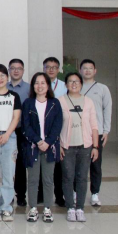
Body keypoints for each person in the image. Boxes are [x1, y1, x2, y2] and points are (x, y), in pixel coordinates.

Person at [22, 72, 62, 223]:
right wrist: (38, 141)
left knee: (48, 179)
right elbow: (26, 126)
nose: (39, 86)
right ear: (33, 86)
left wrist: (48, 142)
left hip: (50, 148)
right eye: (36, 83)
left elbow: (58, 125)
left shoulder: (54, 103)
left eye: (43, 83)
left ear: (48, 85)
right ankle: (33, 208)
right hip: (33, 147)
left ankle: (47, 209)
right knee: (32, 179)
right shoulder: (28, 103)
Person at [59, 72, 99, 222]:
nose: (74, 84)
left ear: (81, 84)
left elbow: (94, 125)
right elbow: (56, 126)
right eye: (70, 81)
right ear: (66, 84)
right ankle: (70, 207)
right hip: (66, 146)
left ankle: (80, 208)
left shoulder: (88, 102)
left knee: (82, 178)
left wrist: (95, 146)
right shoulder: (60, 101)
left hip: (85, 146)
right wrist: (58, 145)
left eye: (76, 81)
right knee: (68, 177)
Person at [0, 64, 22, 222]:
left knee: (8, 174)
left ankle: (7, 207)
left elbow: (16, 118)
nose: (0, 78)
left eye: (2, 75)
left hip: (10, 137)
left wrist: (7, 135)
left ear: (7, 78)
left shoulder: (14, 96)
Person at [79, 59, 112, 207]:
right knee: (78, 164)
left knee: (95, 164)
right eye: (84, 68)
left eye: (90, 68)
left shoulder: (103, 88)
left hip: (96, 132)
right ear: (80, 70)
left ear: (95, 71)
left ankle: (95, 193)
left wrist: (106, 130)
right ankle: (76, 192)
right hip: (78, 131)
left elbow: (107, 109)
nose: (87, 71)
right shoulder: (76, 86)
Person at [43, 56, 67, 207]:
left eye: (54, 67)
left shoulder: (64, 87)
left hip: (59, 128)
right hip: (42, 130)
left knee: (58, 165)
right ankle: (41, 195)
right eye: (48, 67)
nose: (51, 70)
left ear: (58, 69)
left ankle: (59, 195)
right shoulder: (39, 84)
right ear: (43, 68)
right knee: (42, 163)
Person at [7, 58, 30, 207]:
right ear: (9, 70)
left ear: (23, 71)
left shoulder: (29, 88)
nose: (16, 71)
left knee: (21, 164)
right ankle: (7, 194)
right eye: (13, 68)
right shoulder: (3, 86)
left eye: (19, 68)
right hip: (5, 130)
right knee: (7, 164)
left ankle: (21, 195)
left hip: (22, 130)